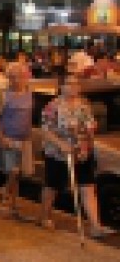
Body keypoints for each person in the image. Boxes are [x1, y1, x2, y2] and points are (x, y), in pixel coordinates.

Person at [39, 77, 114, 238]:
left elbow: (90, 127)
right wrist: (61, 144)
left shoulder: (84, 105)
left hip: (82, 152)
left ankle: (95, 226)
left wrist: (88, 145)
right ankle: (45, 216)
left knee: (88, 187)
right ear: (62, 87)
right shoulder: (53, 106)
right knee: (52, 186)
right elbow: (45, 130)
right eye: (69, 84)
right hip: (58, 154)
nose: (73, 87)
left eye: (76, 84)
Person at [0, 63, 34, 218]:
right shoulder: (3, 95)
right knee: (13, 171)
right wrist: (1, 138)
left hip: (25, 138)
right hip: (9, 138)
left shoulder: (30, 93)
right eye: (13, 77)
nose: (17, 80)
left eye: (21, 77)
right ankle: (4, 190)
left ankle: (13, 205)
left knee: (18, 173)